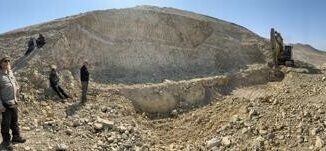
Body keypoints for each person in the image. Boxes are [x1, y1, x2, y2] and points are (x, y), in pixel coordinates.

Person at [0, 55, 26, 150]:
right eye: (5, 61)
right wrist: (0, 105)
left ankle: (16, 137)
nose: (7, 63)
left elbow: (14, 82)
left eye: (8, 61)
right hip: (5, 104)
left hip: (14, 102)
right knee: (6, 124)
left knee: (15, 122)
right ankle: (6, 141)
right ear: (1, 63)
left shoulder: (10, 72)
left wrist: (17, 89)